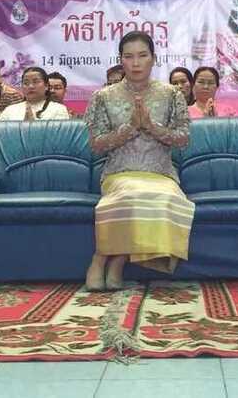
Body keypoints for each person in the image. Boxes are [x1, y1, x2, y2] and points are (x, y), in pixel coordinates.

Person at [84, 32, 193, 291]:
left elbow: (183, 140)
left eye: (142, 56)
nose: (135, 63)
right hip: (119, 172)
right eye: (129, 56)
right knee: (131, 193)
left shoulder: (172, 94)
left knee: (166, 196)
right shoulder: (103, 96)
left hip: (160, 173)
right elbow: (96, 145)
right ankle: (103, 259)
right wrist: (130, 128)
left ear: (153, 59)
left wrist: (152, 127)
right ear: (120, 60)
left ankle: (114, 261)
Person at [0, 67, 70, 121]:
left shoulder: (58, 109)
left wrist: (33, 127)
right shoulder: (10, 110)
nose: (31, 86)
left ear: (46, 86)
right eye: (26, 83)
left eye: (36, 82)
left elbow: (60, 135)